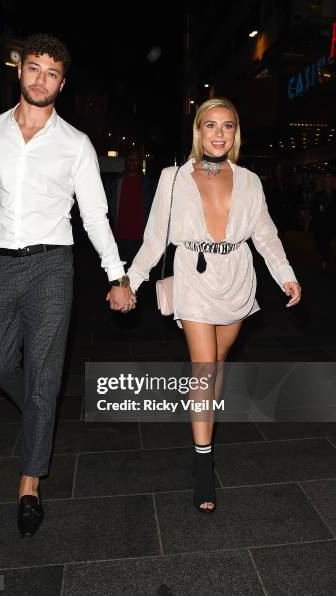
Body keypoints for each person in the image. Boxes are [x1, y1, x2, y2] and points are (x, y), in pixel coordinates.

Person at [0, 33, 136, 536]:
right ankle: (44, 406)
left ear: (63, 82)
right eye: (34, 68)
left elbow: (96, 215)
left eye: (52, 73)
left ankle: (30, 484)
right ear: (20, 71)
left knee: (43, 376)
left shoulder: (75, 144)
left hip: (51, 269)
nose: (41, 79)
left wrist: (116, 275)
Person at [127, 98, 301, 513]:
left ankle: (202, 422)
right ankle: (203, 464)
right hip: (193, 276)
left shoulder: (250, 180)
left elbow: (266, 235)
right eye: (210, 125)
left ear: (235, 133)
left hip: (238, 277)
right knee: (205, 368)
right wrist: (129, 281)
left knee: (218, 362)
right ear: (198, 132)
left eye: (227, 126)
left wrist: (286, 275)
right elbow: (154, 238)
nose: (218, 133)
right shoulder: (173, 177)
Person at [108, 150, 155, 266]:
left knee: (138, 274)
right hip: (120, 237)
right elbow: (109, 207)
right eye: (130, 159)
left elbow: (153, 210)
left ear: (139, 162)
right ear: (125, 162)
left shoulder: (147, 184)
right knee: (121, 276)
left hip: (140, 238)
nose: (132, 162)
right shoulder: (116, 182)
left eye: (135, 159)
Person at [310, 174, 336, 272]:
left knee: (326, 242)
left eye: (330, 181)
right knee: (320, 243)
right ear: (323, 182)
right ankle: (324, 259)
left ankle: (325, 260)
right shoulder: (318, 194)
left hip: (332, 223)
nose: (328, 183)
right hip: (321, 223)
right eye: (326, 181)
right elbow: (313, 208)